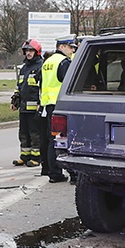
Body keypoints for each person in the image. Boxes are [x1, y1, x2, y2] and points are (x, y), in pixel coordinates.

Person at [40, 34, 77, 183]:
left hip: (49, 104)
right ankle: (74, 174)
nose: (72, 50)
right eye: (70, 47)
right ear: (61, 47)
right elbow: (69, 82)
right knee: (67, 139)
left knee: (53, 139)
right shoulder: (63, 62)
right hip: (62, 104)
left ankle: (54, 173)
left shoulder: (47, 62)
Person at [11, 39, 44, 167]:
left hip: (34, 108)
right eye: (27, 51)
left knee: (35, 133)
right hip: (23, 107)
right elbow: (19, 86)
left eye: (31, 50)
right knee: (23, 133)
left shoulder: (40, 67)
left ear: (37, 52)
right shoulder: (24, 68)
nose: (28, 53)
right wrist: (15, 99)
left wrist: (40, 103)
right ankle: (25, 156)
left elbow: (42, 87)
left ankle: (36, 158)